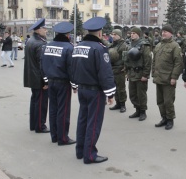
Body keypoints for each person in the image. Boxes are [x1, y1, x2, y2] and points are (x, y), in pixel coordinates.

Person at [71, 17, 116, 164]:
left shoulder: (78, 46)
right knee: (94, 122)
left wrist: (74, 84)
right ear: (100, 32)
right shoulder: (99, 48)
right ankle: (89, 154)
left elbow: (73, 67)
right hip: (95, 91)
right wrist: (110, 93)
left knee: (82, 120)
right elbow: (105, 73)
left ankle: (80, 150)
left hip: (82, 89)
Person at [41, 22, 77, 145]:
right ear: (67, 34)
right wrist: (74, 84)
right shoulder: (69, 47)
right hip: (63, 82)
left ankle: (54, 135)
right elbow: (71, 67)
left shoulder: (47, 46)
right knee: (64, 110)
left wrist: (45, 79)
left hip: (51, 81)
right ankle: (63, 138)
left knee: (53, 108)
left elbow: (42, 64)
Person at [152, 25, 183, 130]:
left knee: (168, 101)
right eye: (162, 31)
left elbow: (178, 63)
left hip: (168, 79)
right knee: (160, 101)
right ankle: (164, 118)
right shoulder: (159, 45)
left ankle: (170, 119)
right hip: (159, 77)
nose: (163, 33)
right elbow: (154, 61)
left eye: (166, 31)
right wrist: (153, 74)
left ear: (171, 33)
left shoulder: (175, 46)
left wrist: (174, 77)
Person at [23, 18, 49, 133]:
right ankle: (40, 126)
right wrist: (46, 81)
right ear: (38, 30)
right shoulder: (40, 43)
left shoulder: (31, 40)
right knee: (41, 103)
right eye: (44, 28)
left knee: (34, 101)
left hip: (32, 76)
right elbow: (42, 64)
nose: (46, 30)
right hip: (39, 78)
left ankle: (33, 124)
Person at [124, 27, 152, 121]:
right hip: (131, 73)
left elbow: (148, 60)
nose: (132, 34)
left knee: (141, 94)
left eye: (134, 33)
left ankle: (143, 112)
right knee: (132, 94)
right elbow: (126, 59)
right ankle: (137, 110)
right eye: (131, 33)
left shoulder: (144, 45)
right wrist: (127, 72)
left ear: (138, 34)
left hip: (140, 73)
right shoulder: (129, 44)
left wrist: (145, 75)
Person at [109, 29, 128, 113]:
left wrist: (125, 67)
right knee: (115, 88)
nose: (113, 36)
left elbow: (126, 58)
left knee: (121, 88)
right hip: (113, 68)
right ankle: (117, 103)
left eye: (115, 34)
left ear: (119, 35)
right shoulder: (113, 44)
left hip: (120, 69)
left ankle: (123, 104)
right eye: (112, 34)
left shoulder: (123, 45)